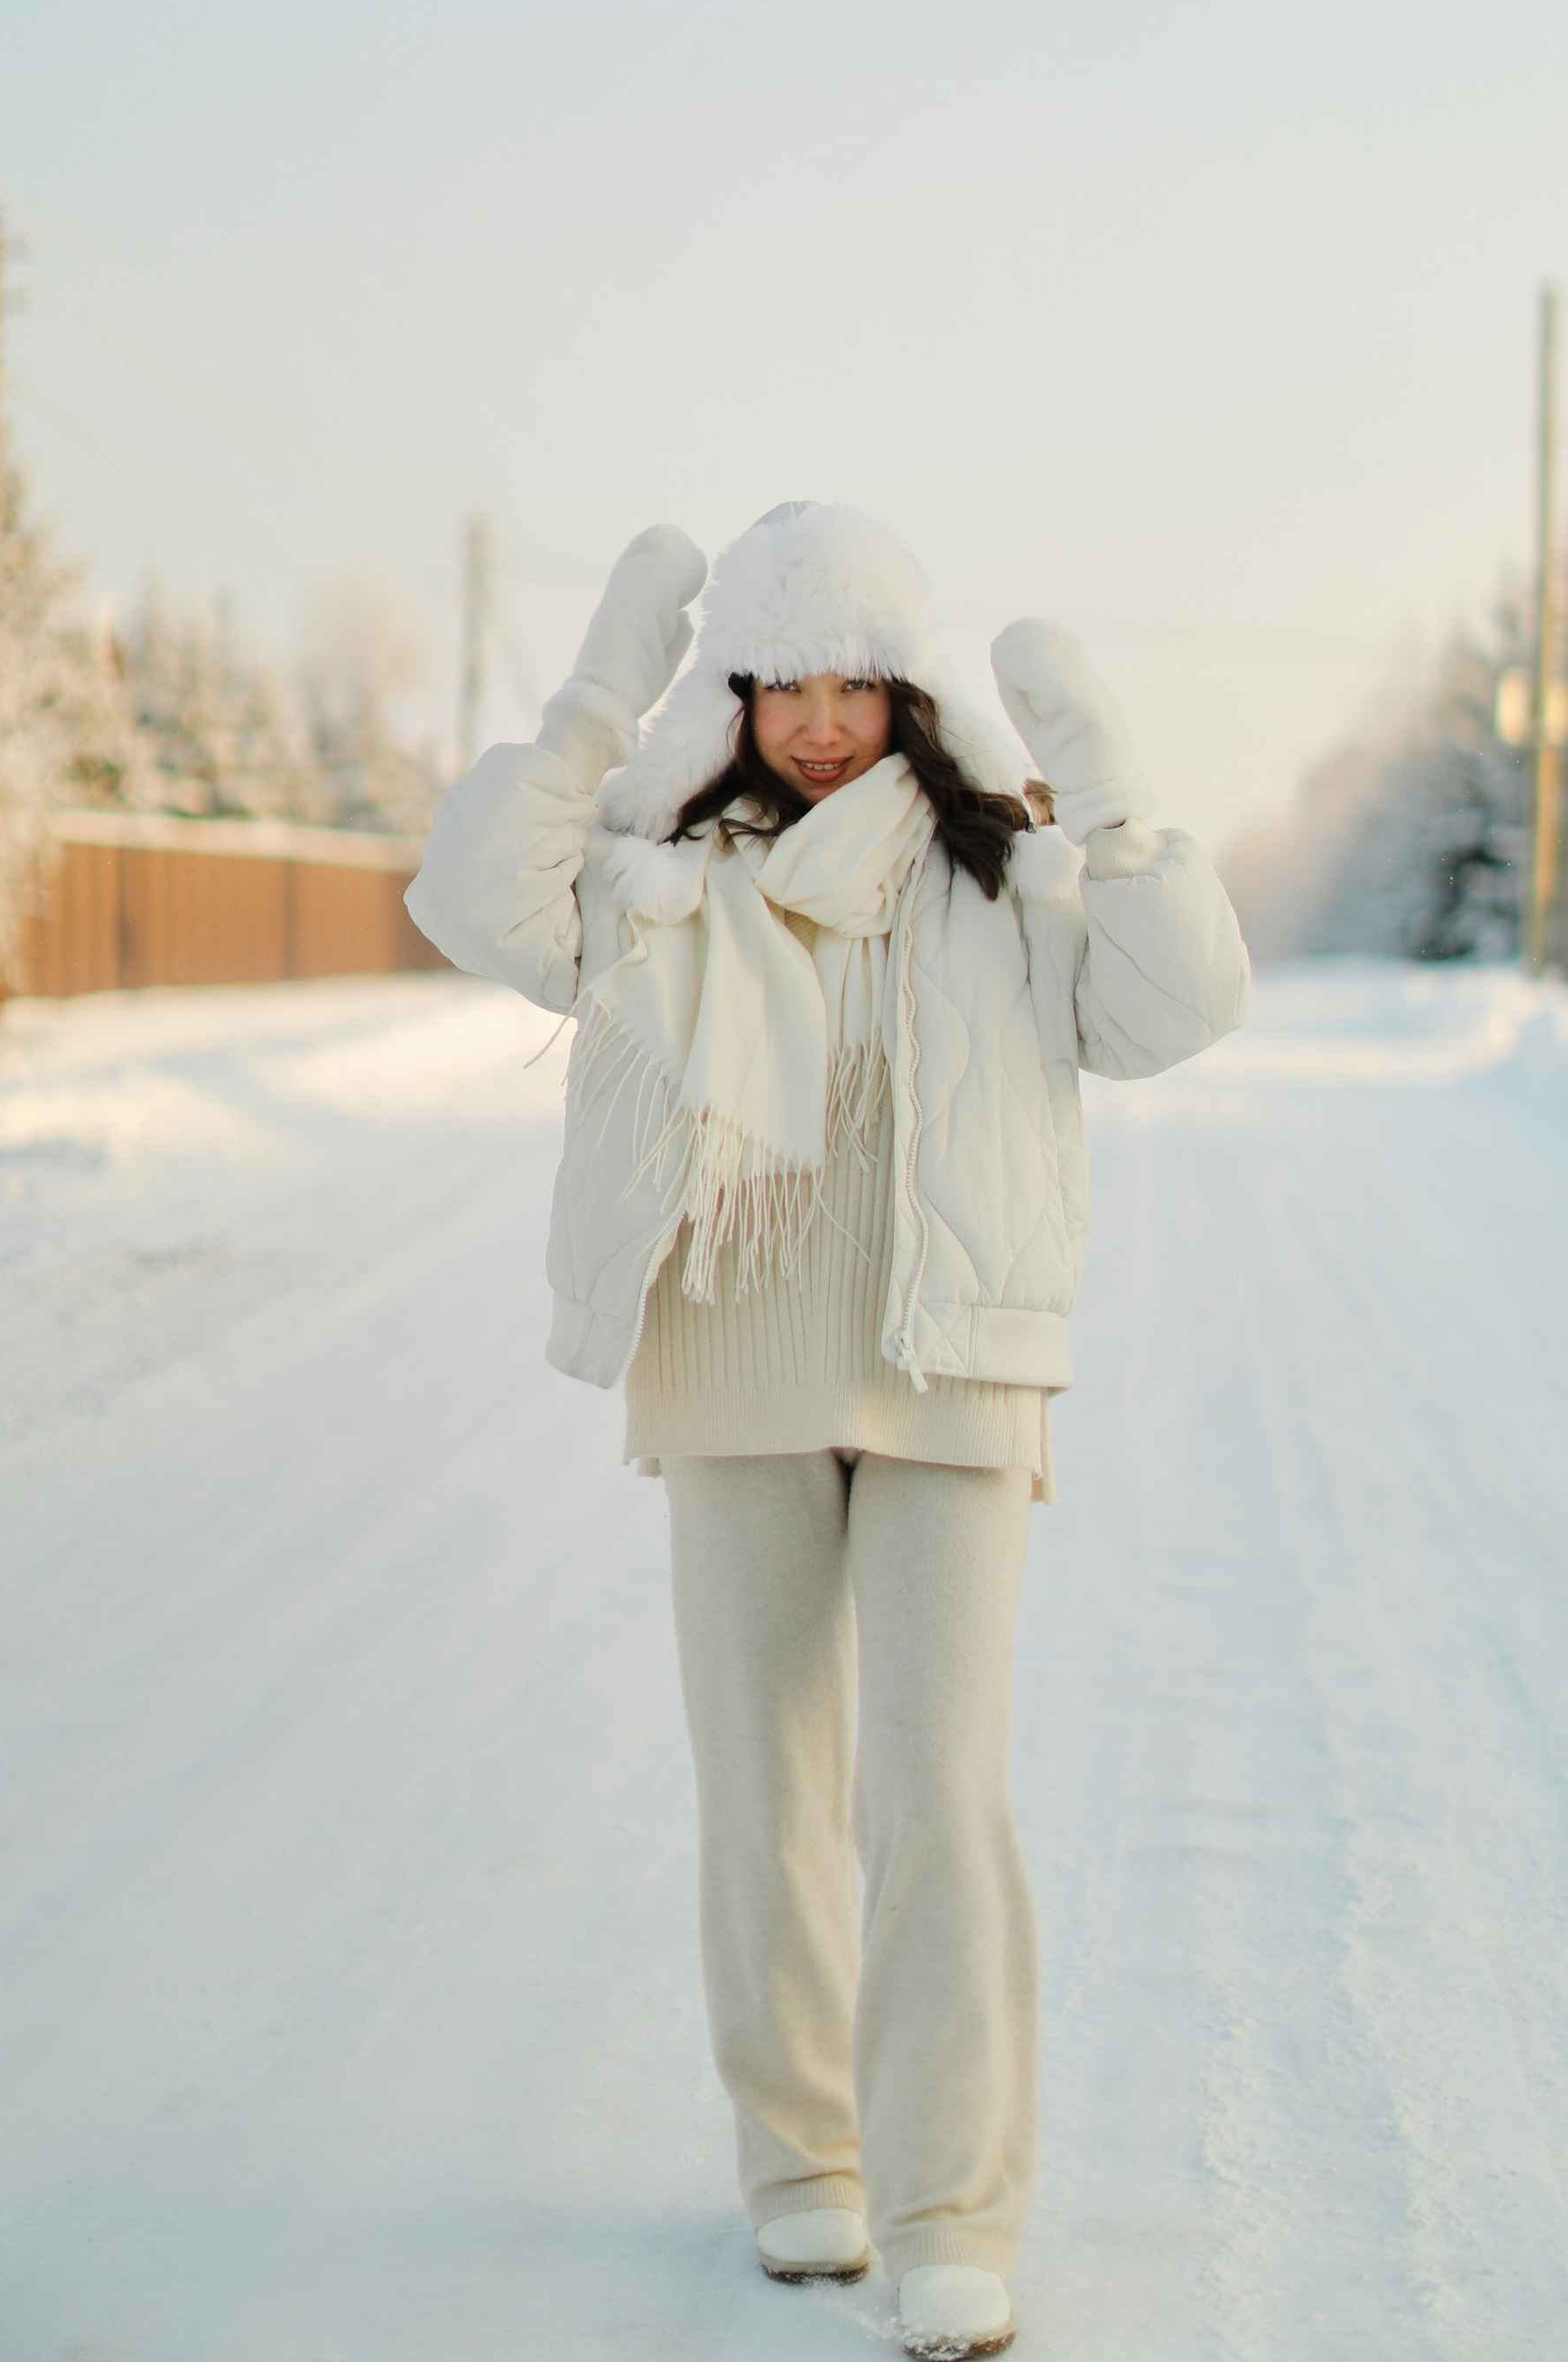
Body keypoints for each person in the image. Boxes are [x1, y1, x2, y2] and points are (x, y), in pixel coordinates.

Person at [408, 503, 1249, 2359]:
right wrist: (597, 682)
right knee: (767, 1793)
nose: (813, 721)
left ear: (907, 692)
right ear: (736, 692)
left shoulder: (1004, 875)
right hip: (732, 1351)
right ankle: (806, 2162)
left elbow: (1177, 1006)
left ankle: (954, 2202)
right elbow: (471, 901)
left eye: (849, 682)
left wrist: (1099, 778)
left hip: (955, 1367)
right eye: (777, 681)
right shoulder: (657, 873)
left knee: (933, 1794)